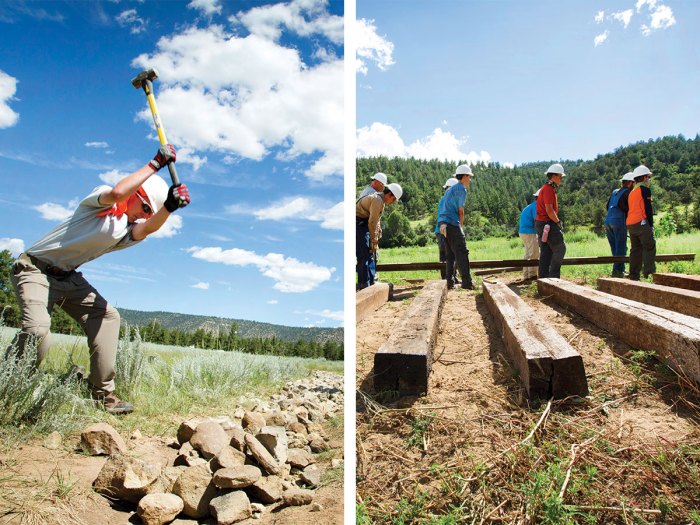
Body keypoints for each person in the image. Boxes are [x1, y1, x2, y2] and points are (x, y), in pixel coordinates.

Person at [10, 145, 190, 415]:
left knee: (108, 316)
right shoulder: (98, 202)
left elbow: (147, 230)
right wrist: (155, 163)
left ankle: (103, 394)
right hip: (35, 269)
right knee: (37, 331)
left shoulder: (123, 231)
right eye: (144, 207)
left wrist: (169, 207)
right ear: (136, 193)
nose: (144, 215)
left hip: (68, 278)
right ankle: (12, 384)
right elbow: (118, 192)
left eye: (147, 212)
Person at [356, 182, 402, 290]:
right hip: (358, 225)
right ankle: (364, 285)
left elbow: (376, 220)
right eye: (394, 199)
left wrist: (377, 231)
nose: (393, 202)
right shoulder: (377, 200)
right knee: (364, 256)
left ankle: (371, 283)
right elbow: (372, 222)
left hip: (363, 225)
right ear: (389, 194)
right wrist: (374, 239)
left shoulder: (381, 201)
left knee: (371, 255)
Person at [437, 164, 474, 290]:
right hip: (452, 223)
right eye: (469, 176)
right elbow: (461, 211)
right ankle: (467, 283)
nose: (470, 179)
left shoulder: (448, 190)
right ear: (464, 176)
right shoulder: (461, 189)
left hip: (443, 224)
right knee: (462, 252)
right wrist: (461, 227)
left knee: (450, 255)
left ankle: (449, 282)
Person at [535, 163, 566, 278]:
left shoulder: (546, 188)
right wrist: (558, 222)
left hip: (541, 223)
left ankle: (543, 279)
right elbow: (549, 210)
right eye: (561, 177)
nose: (561, 180)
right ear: (555, 176)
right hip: (547, 223)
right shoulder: (548, 189)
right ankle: (554, 278)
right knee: (560, 248)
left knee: (546, 252)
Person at [626, 164, 656, 280]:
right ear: (644, 178)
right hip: (641, 223)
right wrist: (651, 225)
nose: (648, 179)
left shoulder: (632, 192)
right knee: (649, 246)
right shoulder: (645, 190)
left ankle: (634, 275)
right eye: (648, 177)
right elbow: (648, 208)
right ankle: (649, 273)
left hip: (631, 224)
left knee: (635, 250)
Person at [604, 171, 635, 277]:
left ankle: (617, 270)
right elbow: (625, 208)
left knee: (615, 247)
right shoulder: (628, 193)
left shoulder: (615, 192)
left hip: (608, 221)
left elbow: (607, 206)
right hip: (618, 221)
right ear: (630, 183)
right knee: (621, 247)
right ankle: (618, 271)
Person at [435, 177, 459, 281]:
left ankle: (449, 278)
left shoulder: (444, 199)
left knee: (446, 255)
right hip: (445, 230)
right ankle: (449, 278)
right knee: (450, 255)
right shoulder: (448, 200)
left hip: (441, 231)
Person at [518, 189, 540, 281]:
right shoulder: (536, 206)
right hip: (529, 232)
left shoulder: (531, 206)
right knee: (534, 253)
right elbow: (537, 219)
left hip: (523, 232)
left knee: (528, 254)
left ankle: (526, 275)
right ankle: (532, 275)